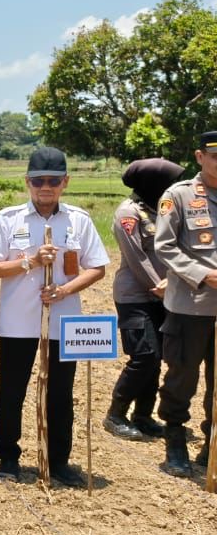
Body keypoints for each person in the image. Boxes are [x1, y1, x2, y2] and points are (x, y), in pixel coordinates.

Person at [0, 147, 109, 485]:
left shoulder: (78, 220)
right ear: (27, 182)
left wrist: (65, 290)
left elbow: (97, 267)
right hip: (18, 322)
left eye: (53, 181)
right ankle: (8, 458)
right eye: (39, 181)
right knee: (12, 391)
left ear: (65, 182)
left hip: (63, 322)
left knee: (60, 393)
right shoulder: (9, 219)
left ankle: (58, 461)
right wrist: (31, 262)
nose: (46, 187)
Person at [104, 158, 184, 441]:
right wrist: (157, 286)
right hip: (135, 296)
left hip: (163, 295)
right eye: (168, 182)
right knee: (144, 356)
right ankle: (115, 414)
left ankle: (143, 415)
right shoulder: (128, 213)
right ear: (152, 183)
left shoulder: (162, 209)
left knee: (156, 357)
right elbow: (136, 256)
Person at [155, 133, 217, 477]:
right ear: (199, 156)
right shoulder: (178, 196)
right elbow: (165, 246)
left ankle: (212, 443)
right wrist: (203, 274)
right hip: (191, 306)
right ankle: (175, 440)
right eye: (215, 156)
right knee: (182, 376)